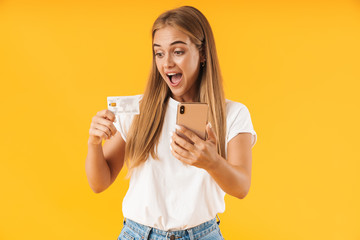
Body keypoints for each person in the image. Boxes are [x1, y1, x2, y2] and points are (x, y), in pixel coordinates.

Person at [85, 6, 257, 240]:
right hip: (137, 234)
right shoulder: (136, 109)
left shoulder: (233, 114)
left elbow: (241, 187)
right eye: (159, 53)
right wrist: (94, 143)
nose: (166, 63)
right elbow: (99, 183)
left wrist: (213, 162)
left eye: (177, 52)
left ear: (203, 53)